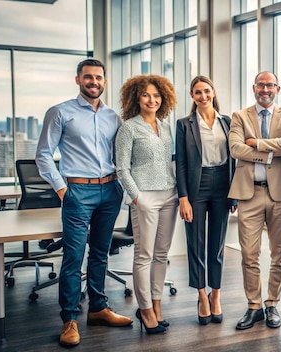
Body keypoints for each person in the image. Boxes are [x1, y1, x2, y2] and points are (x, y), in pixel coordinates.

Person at [36, 59, 133, 347]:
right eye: (88, 77)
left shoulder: (114, 117)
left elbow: (120, 156)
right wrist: (63, 189)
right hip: (77, 192)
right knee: (73, 256)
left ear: (105, 81)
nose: (94, 82)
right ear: (78, 79)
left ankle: (98, 308)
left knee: (101, 253)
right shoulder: (60, 112)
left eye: (99, 77)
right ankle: (69, 319)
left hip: (109, 192)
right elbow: (43, 154)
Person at [229, 71, 281, 330]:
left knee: (280, 254)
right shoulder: (240, 116)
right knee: (249, 254)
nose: (265, 89)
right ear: (253, 87)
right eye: (261, 85)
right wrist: (269, 154)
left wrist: (256, 144)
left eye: (270, 85)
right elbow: (235, 148)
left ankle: (272, 304)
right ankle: (254, 306)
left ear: (277, 88)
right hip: (249, 193)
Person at [115, 75, 178, 334]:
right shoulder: (129, 128)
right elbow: (121, 168)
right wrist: (136, 197)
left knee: (162, 255)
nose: (152, 100)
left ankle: (156, 304)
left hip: (169, 195)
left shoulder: (165, 127)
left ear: (163, 98)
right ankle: (145, 309)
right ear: (136, 98)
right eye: (146, 95)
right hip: (145, 197)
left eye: (156, 95)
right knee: (144, 256)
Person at [176, 75, 236, 326]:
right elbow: (180, 163)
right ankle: (201, 295)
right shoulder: (184, 124)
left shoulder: (227, 121)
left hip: (223, 185)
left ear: (213, 92)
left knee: (218, 245)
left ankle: (216, 294)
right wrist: (183, 198)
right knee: (196, 243)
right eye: (198, 92)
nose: (203, 96)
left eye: (207, 91)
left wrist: (235, 194)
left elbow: (235, 158)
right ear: (192, 96)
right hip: (196, 187)